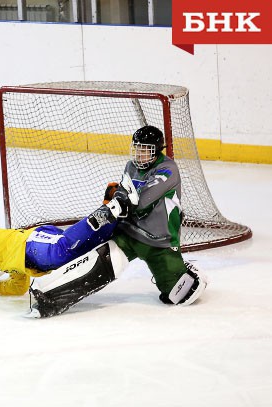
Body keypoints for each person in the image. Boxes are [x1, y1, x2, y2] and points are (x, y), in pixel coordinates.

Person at [28, 125, 208, 318]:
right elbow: (124, 191)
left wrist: (120, 203)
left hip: (160, 241)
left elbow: (143, 200)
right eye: (137, 148)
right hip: (129, 233)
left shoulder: (168, 169)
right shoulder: (131, 166)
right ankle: (50, 296)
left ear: (156, 151)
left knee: (177, 294)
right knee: (97, 265)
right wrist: (116, 199)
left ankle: (181, 268)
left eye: (145, 150)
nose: (140, 154)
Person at [0, 172, 138, 300]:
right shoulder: (3, 257)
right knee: (88, 247)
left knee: (61, 248)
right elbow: (19, 287)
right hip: (35, 256)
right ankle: (114, 208)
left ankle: (110, 209)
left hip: (31, 244)